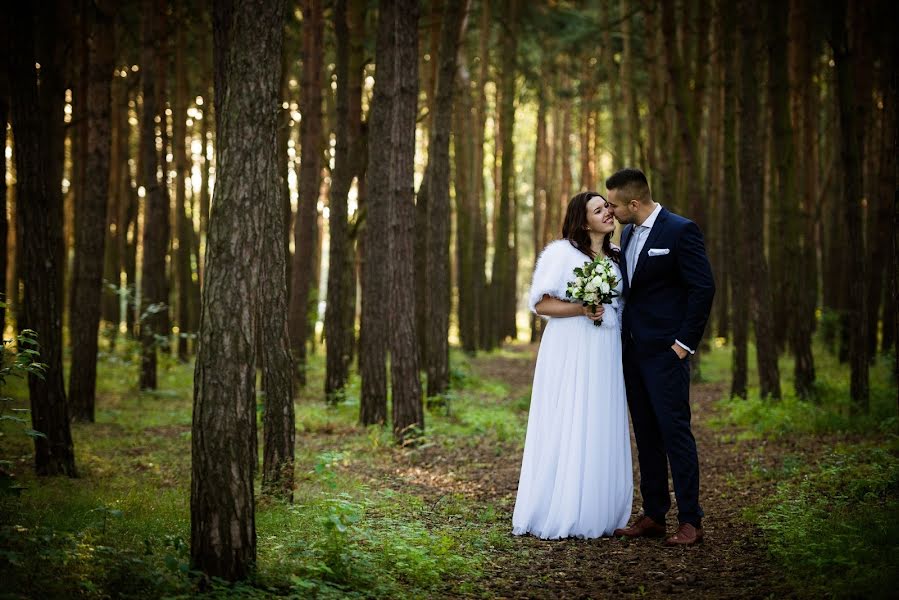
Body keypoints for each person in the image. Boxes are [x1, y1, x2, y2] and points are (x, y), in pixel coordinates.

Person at [604, 168, 715, 546]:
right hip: (633, 353)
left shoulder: (681, 230)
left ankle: (691, 520)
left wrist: (683, 344)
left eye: (615, 206)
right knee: (646, 436)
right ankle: (654, 514)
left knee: (675, 433)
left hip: (667, 354)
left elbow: (703, 288)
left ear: (634, 203)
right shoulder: (630, 232)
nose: (611, 212)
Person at [512, 191, 633, 539]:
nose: (608, 213)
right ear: (583, 220)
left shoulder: (616, 257)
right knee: (569, 414)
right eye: (599, 210)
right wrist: (581, 307)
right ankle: (561, 506)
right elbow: (542, 304)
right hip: (569, 345)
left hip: (605, 346)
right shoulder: (560, 253)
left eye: (608, 208)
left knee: (600, 416)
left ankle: (600, 508)